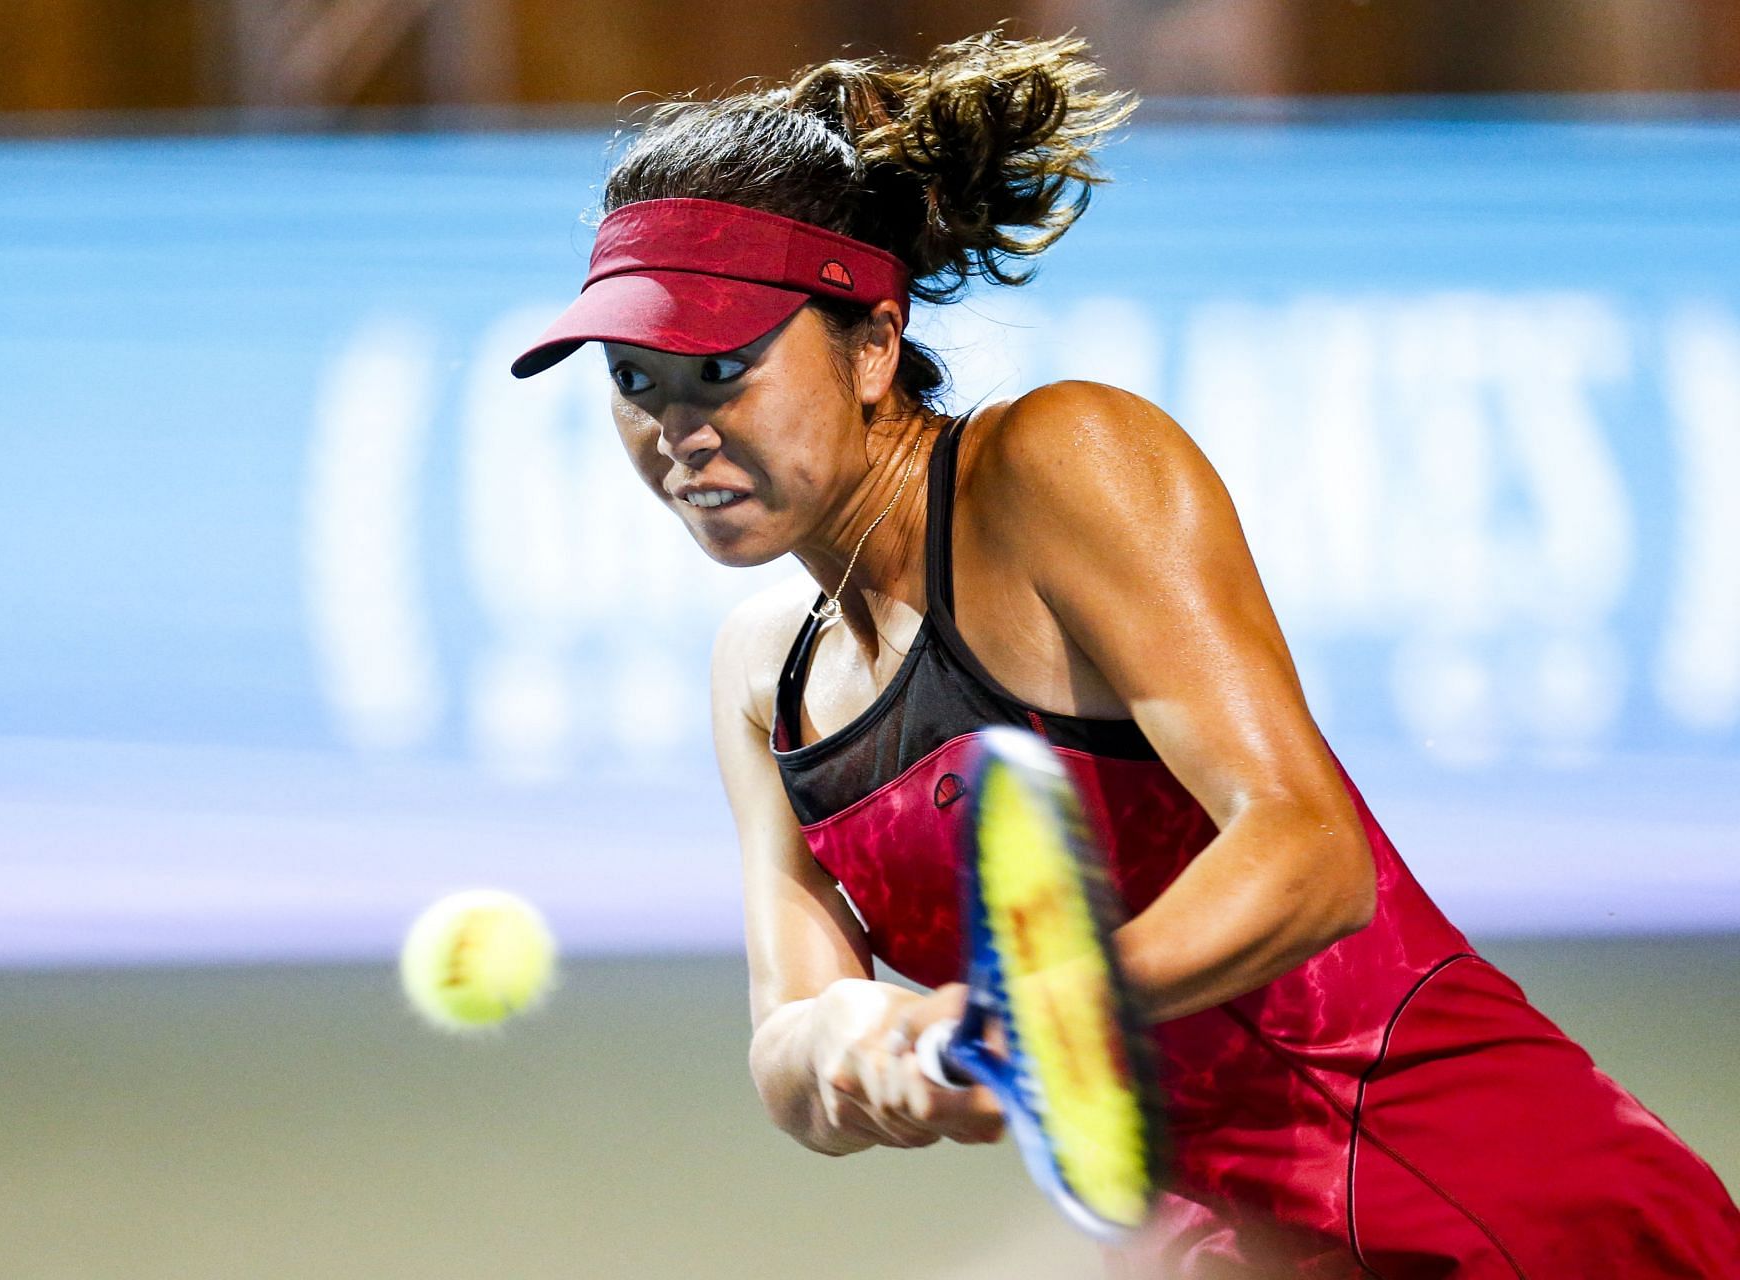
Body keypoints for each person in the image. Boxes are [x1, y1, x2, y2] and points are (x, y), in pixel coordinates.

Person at [510, 32, 1740, 1279]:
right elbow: (789, 1035)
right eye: (637, 381)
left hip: (1488, 1195)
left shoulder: (1058, 464)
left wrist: (1053, 1010)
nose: (680, 429)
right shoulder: (760, 679)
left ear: (874, 342)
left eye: (724, 367)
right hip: (1227, 1243)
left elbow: (1310, 852)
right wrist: (858, 1045)